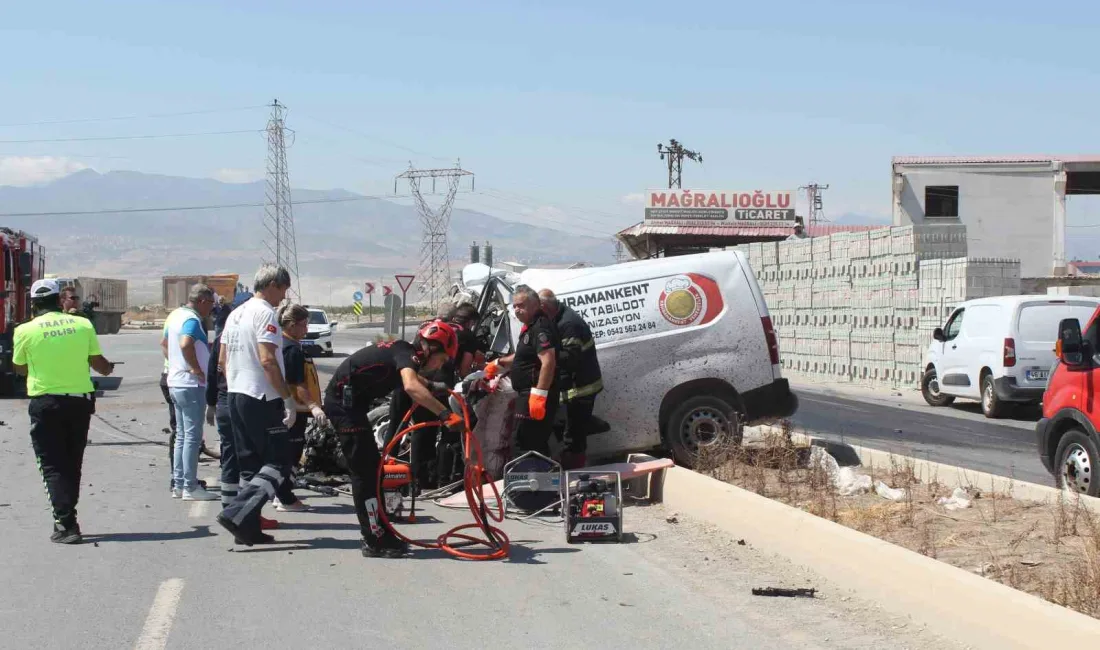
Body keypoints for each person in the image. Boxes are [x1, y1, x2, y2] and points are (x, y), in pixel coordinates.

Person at [323, 321, 463, 558]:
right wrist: (445, 414)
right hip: (343, 407)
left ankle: (379, 531)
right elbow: (410, 385)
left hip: (351, 406)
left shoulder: (406, 354)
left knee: (373, 471)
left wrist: (433, 385)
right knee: (365, 474)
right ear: (430, 348)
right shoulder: (406, 353)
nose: (441, 365)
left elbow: (411, 378)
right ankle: (374, 539)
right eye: (442, 359)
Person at [13, 279, 115, 544]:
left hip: (45, 404)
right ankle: (68, 515)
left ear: (34, 304)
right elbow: (100, 365)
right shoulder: (82, 324)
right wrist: (108, 368)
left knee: (51, 464)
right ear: (60, 300)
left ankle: (66, 523)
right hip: (79, 403)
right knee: (72, 462)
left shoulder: (24, 330)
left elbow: (20, 367)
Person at [215, 265, 298, 546]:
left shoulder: (235, 314)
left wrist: (237, 382)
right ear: (273, 284)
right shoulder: (264, 313)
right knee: (280, 460)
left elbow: (222, 361)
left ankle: (247, 528)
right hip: (260, 396)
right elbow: (267, 360)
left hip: (237, 393)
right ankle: (237, 511)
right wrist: (286, 397)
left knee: (250, 465)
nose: (283, 298)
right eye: (283, 291)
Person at [483, 284, 560, 457]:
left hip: (533, 395)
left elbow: (548, 361)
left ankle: (528, 481)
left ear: (535, 305)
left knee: (522, 443)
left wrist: (539, 395)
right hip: (528, 393)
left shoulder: (540, 328)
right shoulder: (530, 327)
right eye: (515, 306)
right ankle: (543, 478)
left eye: (521, 306)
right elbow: (524, 354)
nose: (517, 310)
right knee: (535, 443)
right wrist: (499, 363)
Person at [163, 284, 219, 501]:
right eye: (211, 304)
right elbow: (186, 343)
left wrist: (175, 363)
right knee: (192, 438)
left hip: (176, 382)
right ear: (202, 301)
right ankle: (190, 486)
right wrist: (195, 368)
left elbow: (164, 343)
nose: (212, 309)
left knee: (182, 436)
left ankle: (178, 483)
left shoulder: (175, 315)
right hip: (190, 384)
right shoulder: (193, 320)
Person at [538, 289, 603, 470]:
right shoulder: (557, 317)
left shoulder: (569, 324)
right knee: (566, 428)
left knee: (573, 435)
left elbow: (569, 359)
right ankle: (571, 464)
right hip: (573, 387)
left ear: (544, 306)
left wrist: (545, 356)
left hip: (583, 387)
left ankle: (575, 472)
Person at [274, 303, 328, 512]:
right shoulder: (291, 349)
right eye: (304, 324)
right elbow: (297, 384)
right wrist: (314, 406)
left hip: (292, 408)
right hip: (294, 409)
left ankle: (281, 494)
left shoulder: (286, 345)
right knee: (291, 454)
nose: (306, 329)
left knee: (287, 453)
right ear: (292, 325)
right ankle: (284, 497)